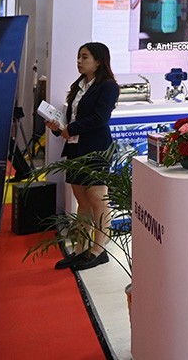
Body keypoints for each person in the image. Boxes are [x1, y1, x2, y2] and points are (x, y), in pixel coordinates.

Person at [43, 42, 119, 271]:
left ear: (99, 61)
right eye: (78, 56)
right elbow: (72, 120)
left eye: (85, 57)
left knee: (97, 198)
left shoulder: (108, 86)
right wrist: (58, 127)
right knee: (81, 200)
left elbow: (100, 118)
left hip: (96, 148)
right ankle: (80, 249)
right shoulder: (78, 86)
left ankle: (99, 250)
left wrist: (71, 129)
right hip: (75, 148)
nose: (79, 61)